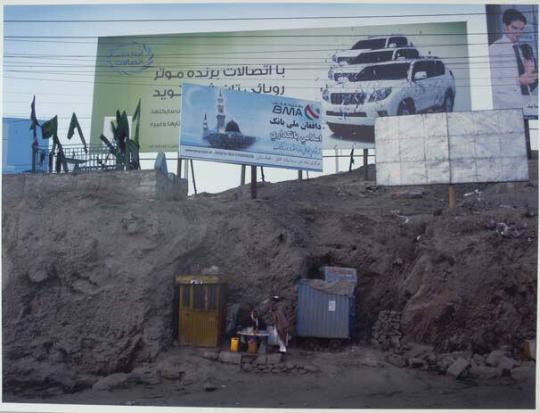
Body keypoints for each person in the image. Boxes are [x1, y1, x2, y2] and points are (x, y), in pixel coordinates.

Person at [489, 8, 538, 110]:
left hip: (526, 104)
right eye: (514, 28)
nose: (518, 33)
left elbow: (528, 82)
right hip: (508, 107)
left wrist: (531, 71)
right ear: (505, 26)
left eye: (521, 29)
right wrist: (518, 81)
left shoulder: (520, 50)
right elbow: (492, 85)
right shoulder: (495, 49)